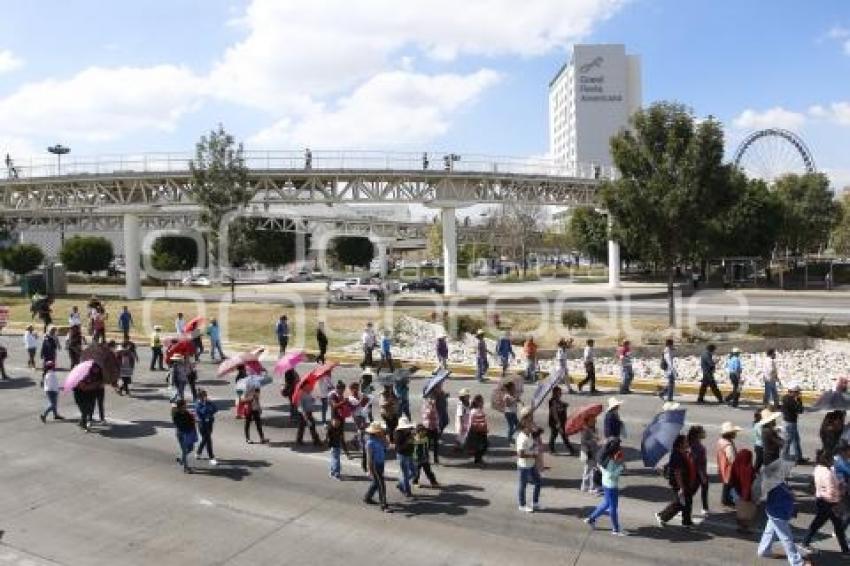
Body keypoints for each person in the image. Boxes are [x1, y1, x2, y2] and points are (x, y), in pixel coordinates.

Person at [801, 450, 849, 554]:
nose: (834, 461)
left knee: (833, 525)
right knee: (826, 524)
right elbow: (831, 492)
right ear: (827, 460)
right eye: (832, 459)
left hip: (821, 500)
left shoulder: (819, 468)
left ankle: (845, 550)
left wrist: (838, 483)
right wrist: (841, 491)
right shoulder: (828, 473)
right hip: (830, 503)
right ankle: (845, 550)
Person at [757, 477, 812, 566]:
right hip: (778, 513)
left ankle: (763, 550)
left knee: (770, 532)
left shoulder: (776, 481)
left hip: (773, 511)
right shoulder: (775, 482)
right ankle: (797, 562)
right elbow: (782, 497)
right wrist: (790, 495)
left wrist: (789, 493)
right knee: (786, 538)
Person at [656, 434, 698, 529]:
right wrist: (681, 487)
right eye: (685, 441)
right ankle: (663, 516)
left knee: (687, 501)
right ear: (680, 444)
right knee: (680, 503)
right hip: (680, 483)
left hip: (685, 482)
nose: (687, 442)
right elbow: (677, 473)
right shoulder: (677, 455)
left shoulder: (682, 452)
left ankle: (686, 522)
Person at [585, 439, 626, 535]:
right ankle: (616, 529)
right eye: (619, 447)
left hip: (605, 483)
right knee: (613, 507)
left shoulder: (604, 456)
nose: (620, 448)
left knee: (606, 503)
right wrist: (620, 468)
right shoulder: (611, 460)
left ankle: (591, 518)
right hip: (611, 485)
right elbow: (611, 474)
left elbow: (601, 468)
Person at [516, 415, 543, 512]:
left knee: (538, 482)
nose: (532, 424)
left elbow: (540, 431)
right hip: (523, 466)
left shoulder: (530, 434)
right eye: (530, 423)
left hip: (531, 465)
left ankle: (535, 503)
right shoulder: (522, 438)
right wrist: (532, 456)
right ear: (525, 426)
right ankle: (522, 505)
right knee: (523, 486)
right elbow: (520, 454)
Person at [363, 422, 392, 512]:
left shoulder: (380, 439)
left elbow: (388, 445)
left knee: (376, 482)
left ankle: (367, 497)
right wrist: (369, 469)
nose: (381, 432)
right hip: (375, 465)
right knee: (381, 485)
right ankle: (384, 505)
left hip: (381, 464)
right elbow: (369, 457)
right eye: (380, 431)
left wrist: (384, 437)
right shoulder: (370, 443)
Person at [729, 448, 756, 533]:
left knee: (739, 510)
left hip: (736, 492)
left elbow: (732, 479)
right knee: (748, 512)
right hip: (746, 493)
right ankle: (746, 528)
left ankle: (739, 526)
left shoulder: (735, 464)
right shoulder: (749, 469)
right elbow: (749, 483)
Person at [717, 421, 741, 507]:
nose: (735, 434)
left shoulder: (721, 441)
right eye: (734, 433)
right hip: (729, 468)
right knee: (729, 484)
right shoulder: (728, 445)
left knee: (726, 484)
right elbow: (732, 459)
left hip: (723, 466)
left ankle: (724, 499)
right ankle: (727, 500)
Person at [687, 424, 710, 516]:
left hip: (695, 471)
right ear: (698, 434)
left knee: (701, 489)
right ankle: (681, 507)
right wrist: (702, 476)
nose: (704, 432)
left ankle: (705, 507)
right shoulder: (698, 447)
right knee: (692, 491)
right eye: (702, 431)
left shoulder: (692, 443)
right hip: (698, 473)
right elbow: (698, 463)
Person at [781, 382, 806, 464]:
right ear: (792, 392)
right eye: (797, 392)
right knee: (788, 442)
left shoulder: (786, 398)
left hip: (791, 423)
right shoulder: (789, 400)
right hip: (789, 423)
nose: (799, 393)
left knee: (795, 440)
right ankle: (783, 458)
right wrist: (799, 400)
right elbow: (800, 410)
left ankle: (798, 457)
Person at [172, 399, 197, 474]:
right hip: (182, 434)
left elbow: (191, 421)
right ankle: (185, 468)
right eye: (185, 405)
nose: (186, 406)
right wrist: (191, 421)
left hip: (189, 433)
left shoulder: (186, 412)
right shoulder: (176, 415)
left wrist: (193, 418)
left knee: (191, 448)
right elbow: (181, 425)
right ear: (181, 406)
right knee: (184, 450)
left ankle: (182, 459)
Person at [195, 389, 218, 466]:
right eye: (204, 396)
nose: (205, 397)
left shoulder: (209, 402)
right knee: (208, 440)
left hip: (210, 423)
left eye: (206, 395)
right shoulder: (198, 404)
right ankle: (211, 457)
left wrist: (209, 405)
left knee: (205, 439)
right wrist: (205, 405)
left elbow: (215, 409)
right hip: (202, 424)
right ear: (200, 397)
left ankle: (198, 452)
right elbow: (203, 412)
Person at [548, 386, 574, 455]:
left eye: (560, 392)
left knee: (556, 435)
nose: (561, 394)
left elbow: (561, 405)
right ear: (555, 393)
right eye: (559, 392)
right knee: (561, 435)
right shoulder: (552, 401)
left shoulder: (557, 400)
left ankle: (552, 449)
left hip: (561, 422)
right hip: (556, 422)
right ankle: (571, 449)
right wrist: (558, 423)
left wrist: (564, 405)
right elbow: (554, 413)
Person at [413, 423, 439, 488]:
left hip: (425, 458)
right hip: (416, 459)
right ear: (418, 432)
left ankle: (433, 482)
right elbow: (415, 443)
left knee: (428, 471)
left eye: (424, 431)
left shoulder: (426, 438)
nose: (424, 432)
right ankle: (415, 482)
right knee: (416, 472)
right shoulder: (414, 439)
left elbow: (424, 444)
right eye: (422, 431)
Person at [394, 416, 415, 497]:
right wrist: (408, 442)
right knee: (406, 474)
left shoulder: (409, 431)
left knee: (413, 472)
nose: (407, 429)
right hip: (402, 455)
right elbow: (399, 448)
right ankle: (407, 491)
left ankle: (401, 483)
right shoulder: (397, 434)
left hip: (409, 454)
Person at [580, 414, 601, 494]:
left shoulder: (593, 429)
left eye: (594, 419)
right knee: (590, 470)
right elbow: (583, 442)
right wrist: (593, 440)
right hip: (589, 452)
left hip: (594, 451)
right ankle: (590, 487)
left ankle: (586, 486)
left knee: (590, 469)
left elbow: (596, 439)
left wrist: (596, 439)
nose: (595, 421)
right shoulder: (585, 430)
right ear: (587, 421)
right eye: (592, 420)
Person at [467, 394, 489, 465]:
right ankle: (478, 459)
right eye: (482, 401)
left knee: (482, 445)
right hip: (478, 431)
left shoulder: (479, 410)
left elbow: (483, 420)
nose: (483, 403)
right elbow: (472, 422)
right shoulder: (474, 411)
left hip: (481, 431)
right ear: (477, 402)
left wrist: (486, 428)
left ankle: (478, 459)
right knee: (483, 445)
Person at [326, 416, 350, 480]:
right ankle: (336, 473)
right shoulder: (330, 429)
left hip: (337, 446)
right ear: (332, 422)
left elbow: (342, 441)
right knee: (336, 460)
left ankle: (332, 472)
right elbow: (328, 439)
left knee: (334, 459)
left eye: (338, 422)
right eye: (335, 421)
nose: (336, 423)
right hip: (333, 447)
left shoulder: (339, 430)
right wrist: (329, 446)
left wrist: (346, 452)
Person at [421, 389, 441, 464]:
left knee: (436, 443)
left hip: (434, 425)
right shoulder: (425, 404)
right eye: (431, 397)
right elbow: (427, 415)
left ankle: (436, 458)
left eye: (433, 397)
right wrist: (431, 407)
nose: (433, 398)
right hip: (428, 426)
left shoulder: (434, 404)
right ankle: (426, 458)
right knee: (428, 444)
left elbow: (436, 415)